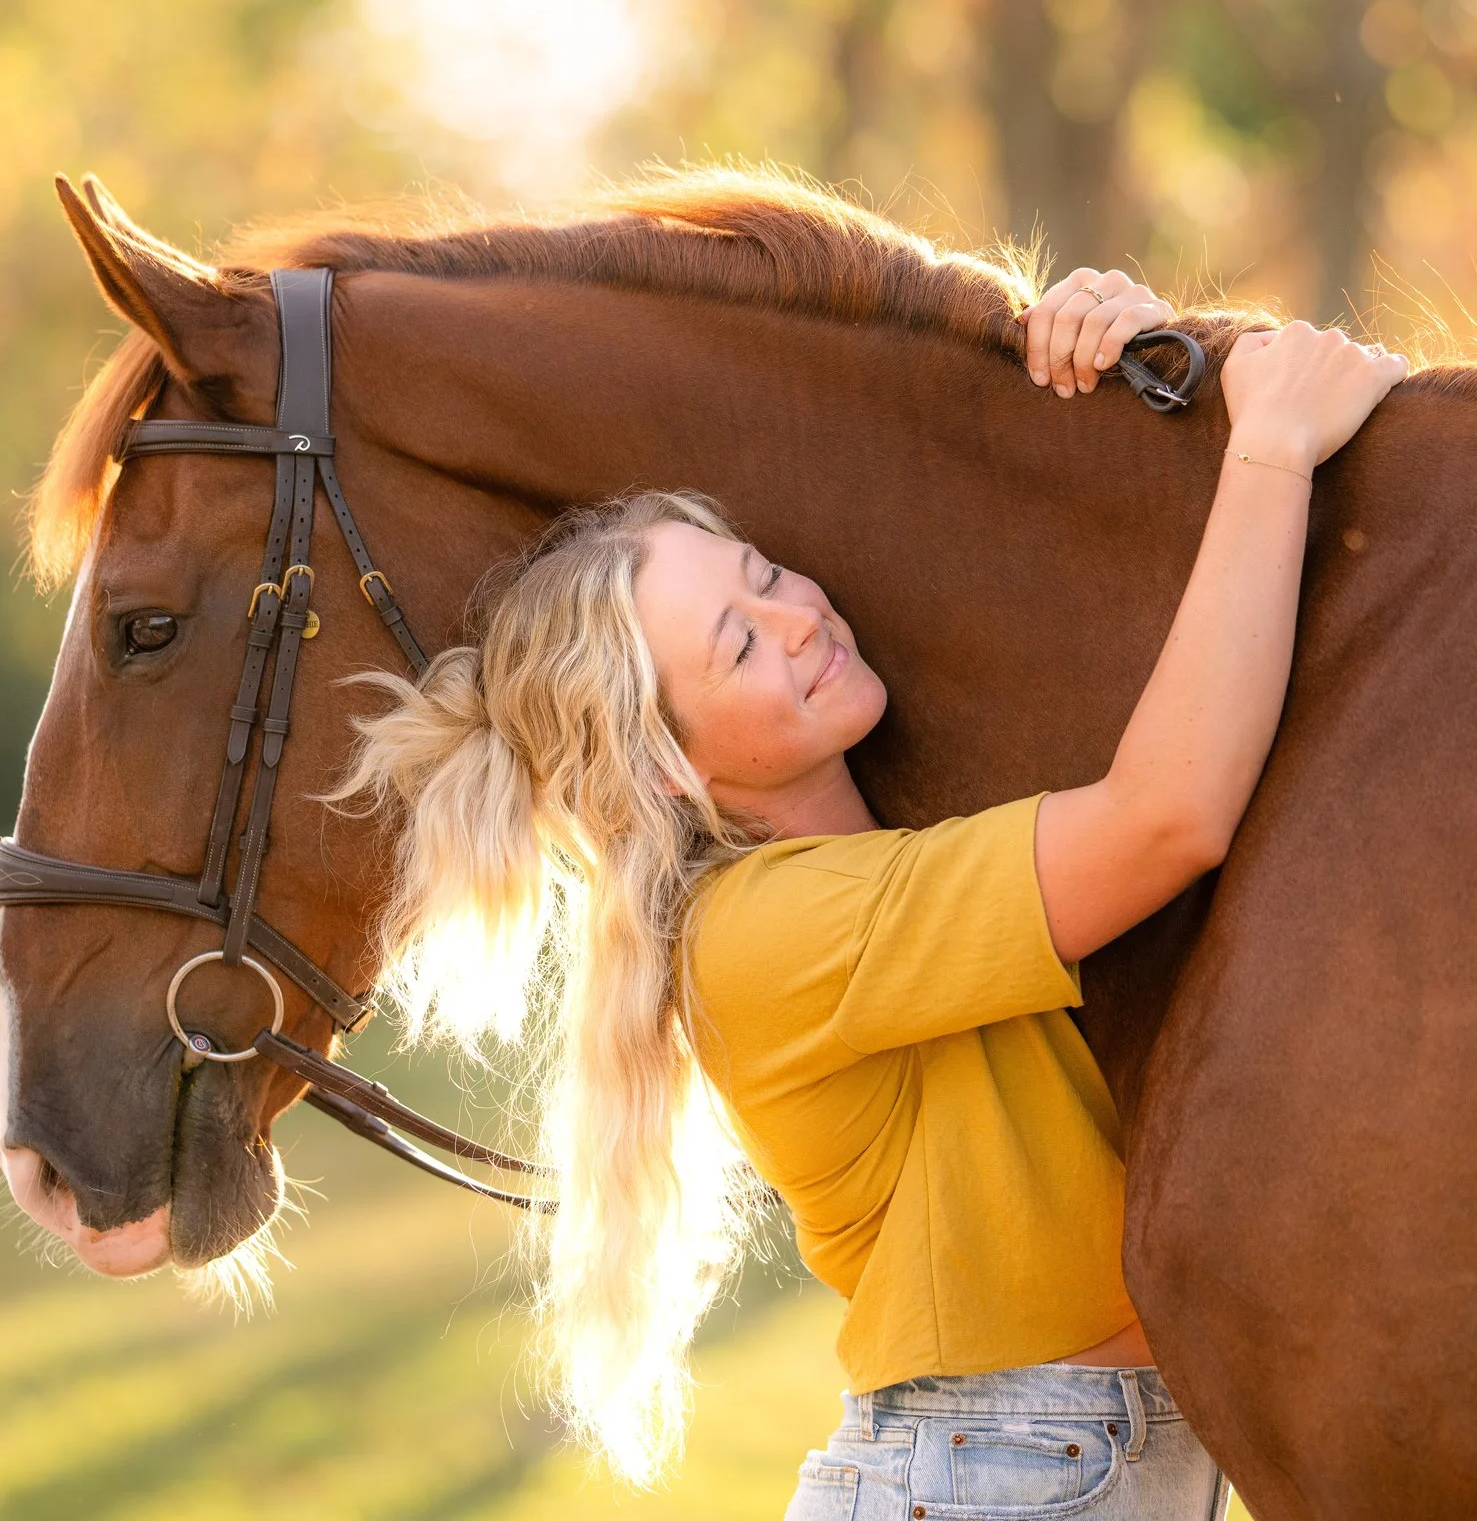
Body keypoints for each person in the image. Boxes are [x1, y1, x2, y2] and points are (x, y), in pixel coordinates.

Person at [334, 265, 1407, 1514]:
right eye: (738, 642)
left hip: (1050, 1460)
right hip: (994, 1471)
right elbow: (1167, 815)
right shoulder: (767, 933)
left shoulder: (888, 850)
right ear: (671, 772)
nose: (795, 617)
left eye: (764, 575)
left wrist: (1109, 349)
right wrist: (1269, 450)